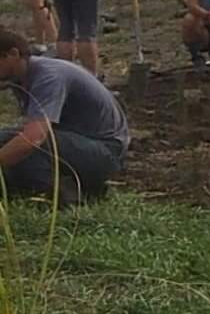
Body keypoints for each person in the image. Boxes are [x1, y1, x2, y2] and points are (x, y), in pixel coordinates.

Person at [0, 26, 128, 204]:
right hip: (75, 142)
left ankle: (62, 192)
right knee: (7, 139)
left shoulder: (48, 77)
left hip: (104, 152)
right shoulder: (21, 76)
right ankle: (27, 186)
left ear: (13, 54)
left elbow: (33, 138)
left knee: (29, 143)